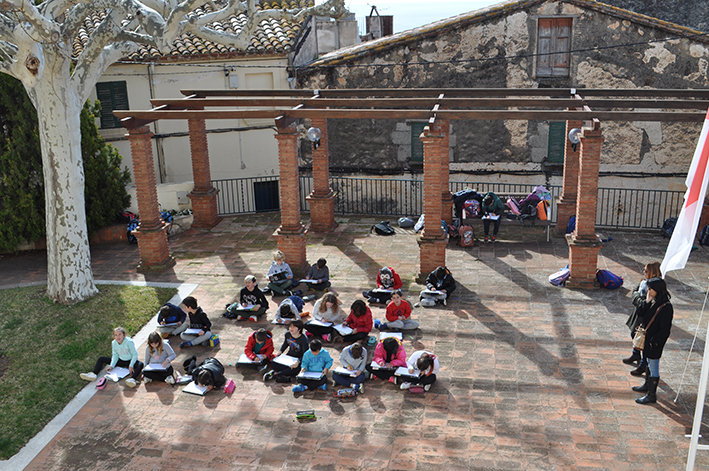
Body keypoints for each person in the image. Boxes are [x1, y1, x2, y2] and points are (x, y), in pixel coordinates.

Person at [632, 278, 673, 404]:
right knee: (648, 363)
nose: (648, 290)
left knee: (654, 366)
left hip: (654, 343)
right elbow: (639, 313)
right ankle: (646, 386)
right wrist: (647, 301)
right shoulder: (652, 301)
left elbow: (665, 330)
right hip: (647, 340)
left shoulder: (666, 307)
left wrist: (654, 341)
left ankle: (651, 395)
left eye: (651, 289)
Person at [624, 262, 662, 375]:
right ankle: (635, 354)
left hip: (645, 315)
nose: (643, 272)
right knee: (634, 334)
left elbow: (648, 302)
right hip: (638, 312)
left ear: (653, 273)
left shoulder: (656, 285)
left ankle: (643, 365)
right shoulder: (643, 281)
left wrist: (641, 302)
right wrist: (639, 300)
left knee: (643, 339)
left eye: (646, 271)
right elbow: (634, 292)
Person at [80, 326, 144, 388]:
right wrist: (112, 365)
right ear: (114, 337)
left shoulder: (129, 342)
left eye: (119, 334)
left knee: (140, 364)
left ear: (124, 335)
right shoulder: (114, 343)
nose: (118, 336)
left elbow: (134, 354)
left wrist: (131, 365)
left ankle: (132, 379)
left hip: (130, 360)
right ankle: (94, 374)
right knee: (101, 359)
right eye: (116, 335)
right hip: (120, 360)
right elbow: (115, 355)